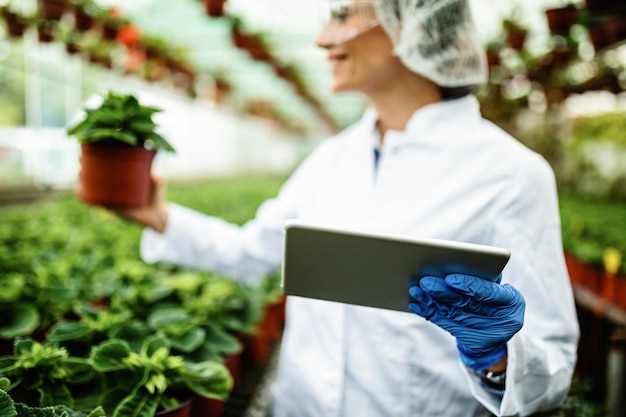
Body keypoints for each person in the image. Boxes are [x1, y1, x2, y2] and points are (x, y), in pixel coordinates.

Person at [113, 1, 580, 416]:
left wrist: (499, 357)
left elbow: (553, 369)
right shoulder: (331, 158)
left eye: (342, 14)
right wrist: (159, 217)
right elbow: (255, 252)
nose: (322, 38)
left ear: (412, 21)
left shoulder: (511, 173)